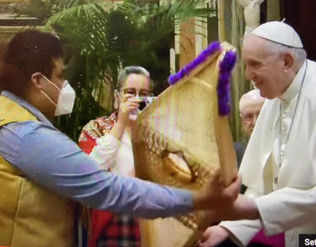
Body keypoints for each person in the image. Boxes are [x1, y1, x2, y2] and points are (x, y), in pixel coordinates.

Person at [0, 30, 242, 247]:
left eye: (145, 94)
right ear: (38, 81)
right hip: (116, 225)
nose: (65, 85)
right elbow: (104, 186)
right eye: (61, 76)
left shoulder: (161, 130)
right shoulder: (27, 133)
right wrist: (199, 200)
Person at [199, 21, 316, 247]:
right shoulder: (274, 98)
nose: (249, 75)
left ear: (286, 62)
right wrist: (226, 228)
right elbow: (261, 184)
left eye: (255, 65)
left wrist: (253, 209)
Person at [79, 66, 153, 247]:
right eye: (130, 92)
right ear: (116, 97)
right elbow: (89, 171)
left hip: (153, 221)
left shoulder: (158, 131)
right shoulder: (95, 128)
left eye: (143, 93)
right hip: (111, 224)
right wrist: (120, 124)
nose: (137, 99)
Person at [234, 89, 265, 167]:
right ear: (241, 120)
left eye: (261, 114)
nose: (255, 122)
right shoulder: (232, 155)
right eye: (248, 117)